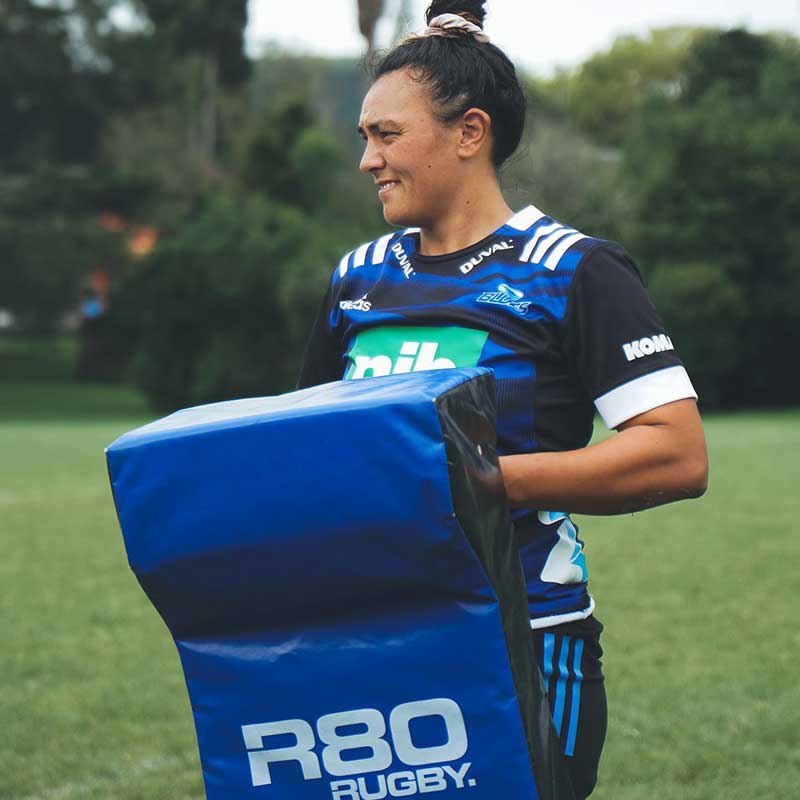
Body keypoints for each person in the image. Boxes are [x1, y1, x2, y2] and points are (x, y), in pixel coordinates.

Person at [298, 2, 708, 797]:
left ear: (470, 132)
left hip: (522, 638)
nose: (368, 160)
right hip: (374, 636)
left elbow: (675, 452)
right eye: (365, 137)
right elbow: (312, 450)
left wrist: (484, 482)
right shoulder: (356, 278)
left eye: (387, 135)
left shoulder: (573, 270)